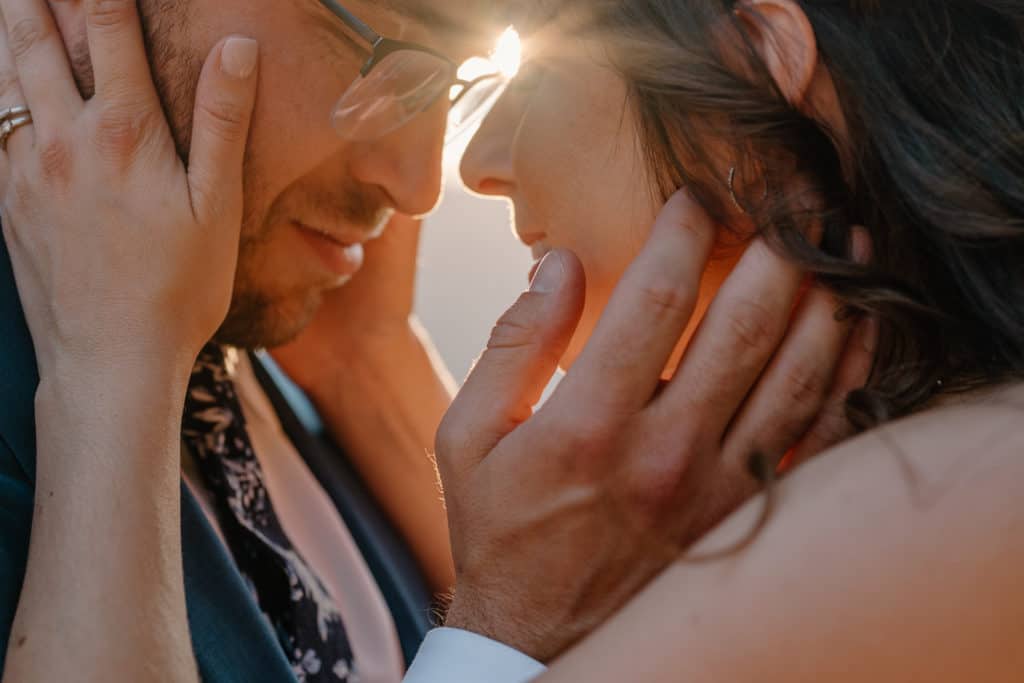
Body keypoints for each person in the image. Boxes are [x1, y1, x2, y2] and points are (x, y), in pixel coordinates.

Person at [0, 1, 867, 682]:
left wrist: (370, 369)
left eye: (448, 86)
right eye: (379, 45)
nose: (421, 185)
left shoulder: (265, 343)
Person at [429, 0, 1024, 679]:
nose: (477, 163)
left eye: (532, 74)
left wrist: (503, 621)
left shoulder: (925, 507)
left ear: (757, 53)